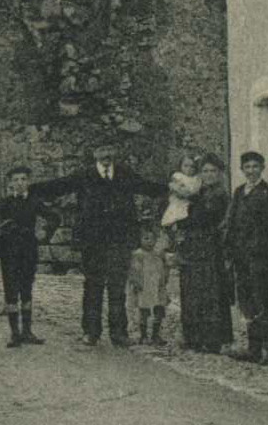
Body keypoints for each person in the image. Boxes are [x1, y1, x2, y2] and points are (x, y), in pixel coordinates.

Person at [31, 143, 169, 347]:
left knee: (117, 286)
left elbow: (146, 186)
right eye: (101, 151)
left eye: (109, 150)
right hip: (92, 241)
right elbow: (60, 186)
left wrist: (172, 189)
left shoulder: (124, 173)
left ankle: (119, 333)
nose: (106, 154)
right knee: (93, 285)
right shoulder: (84, 175)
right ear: (95, 154)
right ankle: (91, 332)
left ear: (114, 152)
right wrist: (31, 189)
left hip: (119, 240)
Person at [223, 151, 268, 363]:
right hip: (239, 256)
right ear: (241, 170)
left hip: (258, 257)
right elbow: (231, 222)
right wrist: (230, 247)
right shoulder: (238, 192)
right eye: (247, 167)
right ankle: (253, 348)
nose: (251, 171)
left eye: (255, 166)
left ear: (262, 167)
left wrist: (262, 244)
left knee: (262, 300)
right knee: (247, 302)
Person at [173, 155, 234, 353]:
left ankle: (213, 338)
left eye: (213, 171)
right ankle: (194, 337)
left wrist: (184, 222)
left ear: (220, 173)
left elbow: (208, 219)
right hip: (193, 246)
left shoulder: (221, 195)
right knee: (193, 291)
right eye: (205, 171)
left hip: (211, 247)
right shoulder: (199, 191)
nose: (209, 175)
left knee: (211, 292)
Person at [0, 166, 54, 347]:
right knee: (11, 290)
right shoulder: (6, 202)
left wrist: (45, 234)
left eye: (23, 179)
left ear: (28, 182)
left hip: (28, 251)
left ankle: (27, 331)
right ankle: (14, 333)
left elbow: (54, 217)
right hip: (9, 251)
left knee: (26, 289)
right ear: (10, 183)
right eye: (16, 180)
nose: (19, 183)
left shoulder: (35, 202)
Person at [129, 224, 171, 346]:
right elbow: (134, 271)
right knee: (144, 310)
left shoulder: (157, 255)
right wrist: (136, 283)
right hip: (145, 286)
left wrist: (164, 280)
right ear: (140, 239)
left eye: (152, 239)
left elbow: (162, 269)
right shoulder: (138, 255)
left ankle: (155, 334)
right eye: (145, 238)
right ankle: (143, 335)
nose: (149, 242)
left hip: (157, 286)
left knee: (159, 308)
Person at [161, 156, 200, 230]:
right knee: (176, 213)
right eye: (185, 166)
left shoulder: (196, 178)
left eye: (192, 167)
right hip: (179, 202)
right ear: (180, 166)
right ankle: (173, 224)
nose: (189, 169)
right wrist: (179, 189)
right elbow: (177, 188)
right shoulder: (179, 176)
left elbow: (195, 190)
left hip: (189, 202)